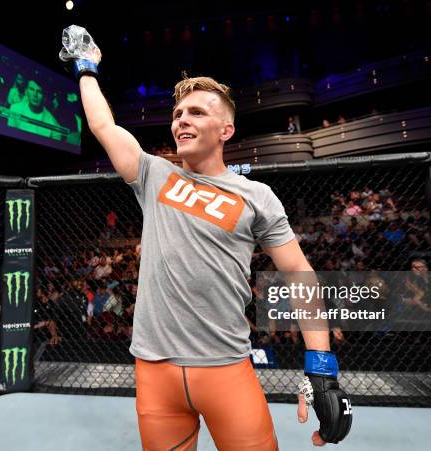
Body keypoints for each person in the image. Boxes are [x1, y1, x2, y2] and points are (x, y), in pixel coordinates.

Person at [61, 25, 351, 449]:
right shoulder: (153, 173)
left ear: (225, 131)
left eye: (196, 112)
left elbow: (297, 272)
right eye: (178, 114)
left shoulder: (256, 196)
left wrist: (322, 369)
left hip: (226, 369)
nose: (182, 120)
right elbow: (103, 124)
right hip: (154, 370)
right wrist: (86, 68)